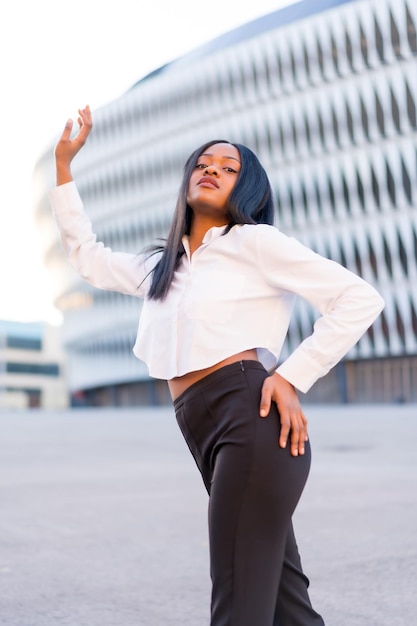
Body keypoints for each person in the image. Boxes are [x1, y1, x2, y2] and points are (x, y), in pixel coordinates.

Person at [49, 105, 384, 626]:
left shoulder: (254, 243)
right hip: (205, 428)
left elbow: (359, 298)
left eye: (229, 169)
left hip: (249, 415)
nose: (211, 170)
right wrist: (64, 169)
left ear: (246, 190)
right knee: (285, 608)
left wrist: (292, 377)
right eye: (204, 163)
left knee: (238, 604)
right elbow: (88, 258)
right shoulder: (163, 267)